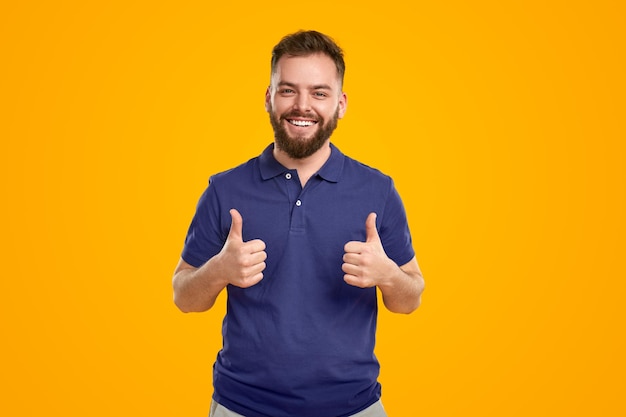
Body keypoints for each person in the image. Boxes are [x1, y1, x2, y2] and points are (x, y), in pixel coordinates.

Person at [173, 30, 425, 417]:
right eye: (288, 90)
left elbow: (410, 299)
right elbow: (184, 297)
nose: (302, 106)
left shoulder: (378, 190)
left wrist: (388, 275)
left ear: (340, 104)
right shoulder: (224, 190)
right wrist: (219, 270)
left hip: (354, 406)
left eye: (319, 93)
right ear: (269, 98)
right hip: (241, 406)